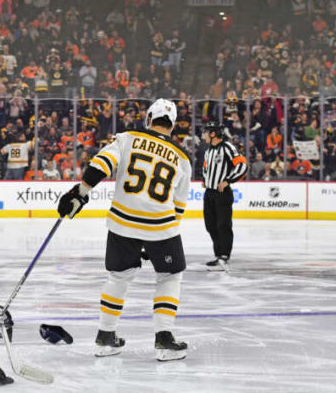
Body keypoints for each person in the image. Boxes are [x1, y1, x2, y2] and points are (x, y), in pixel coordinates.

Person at [57, 99, 191, 361]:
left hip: (122, 221)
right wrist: (152, 239)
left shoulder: (127, 138)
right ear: (172, 125)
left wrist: (79, 193)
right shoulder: (182, 158)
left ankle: (105, 338)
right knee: (170, 276)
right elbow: (178, 209)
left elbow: (100, 165)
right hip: (160, 225)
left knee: (118, 277)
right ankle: (164, 339)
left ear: (149, 117)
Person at [201, 120, 248, 271]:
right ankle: (218, 255)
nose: (204, 135)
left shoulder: (227, 147)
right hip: (209, 193)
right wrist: (205, 179)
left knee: (223, 225)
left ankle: (224, 256)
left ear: (213, 133)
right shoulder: (208, 151)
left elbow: (242, 164)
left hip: (222, 194)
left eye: (207, 132)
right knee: (210, 225)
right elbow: (205, 167)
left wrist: (228, 180)